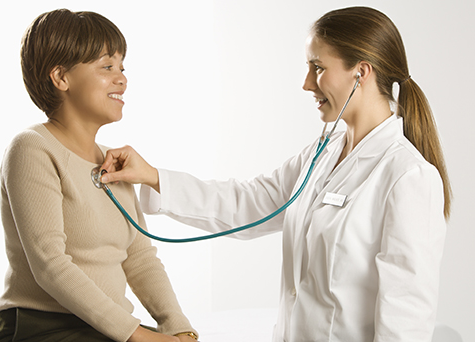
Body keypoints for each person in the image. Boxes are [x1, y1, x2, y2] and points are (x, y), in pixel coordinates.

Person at [99, 6, 452, 342]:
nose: (306, 83)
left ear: (361, 72)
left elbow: (406, 320)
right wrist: (153, 176)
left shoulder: (407, 177)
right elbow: (248, 203)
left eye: (317, 67)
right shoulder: (323, 153)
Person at [0, 9, 198, 342]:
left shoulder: (114, 163)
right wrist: (141, 337)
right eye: (107, 67)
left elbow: (140, 259)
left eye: (122, 67)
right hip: (40, 327)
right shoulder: (32, 148)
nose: (122, 79)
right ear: (61, 77)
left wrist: (178, 329)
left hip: (101, 328)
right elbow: (50, 266)